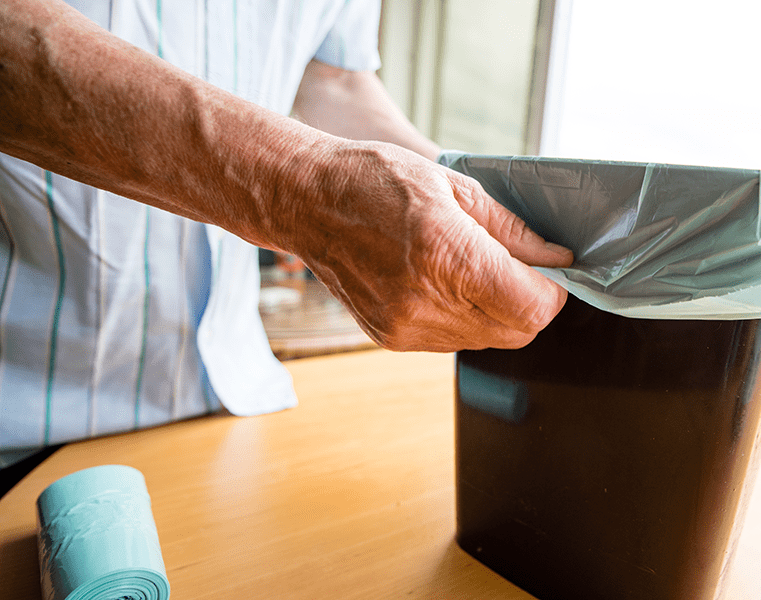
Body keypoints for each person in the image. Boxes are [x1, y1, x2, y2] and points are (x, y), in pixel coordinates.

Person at [0, 0, 572, 477]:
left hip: (236, 408)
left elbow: (333, 81)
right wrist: (305, 187)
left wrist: (475, 212)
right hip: (27, 433)